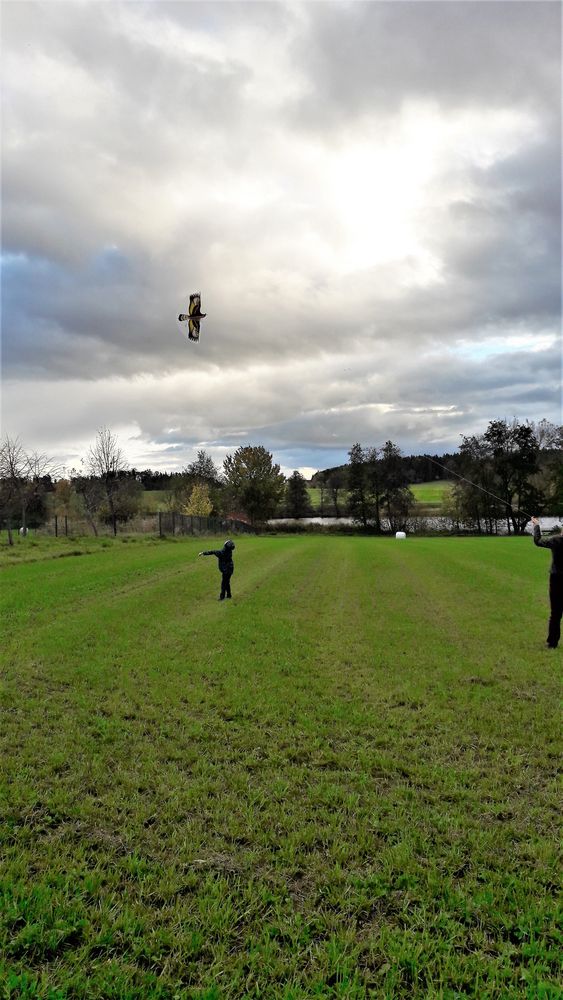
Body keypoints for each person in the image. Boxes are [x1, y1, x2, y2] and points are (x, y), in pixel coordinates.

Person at [531, 517, 563, 649]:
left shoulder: (556, 540)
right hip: (557, 578)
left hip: (556, 579)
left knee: (555, 613)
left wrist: (536, 525)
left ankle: (552, 643)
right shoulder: (556, 540)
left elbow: (538, 541)